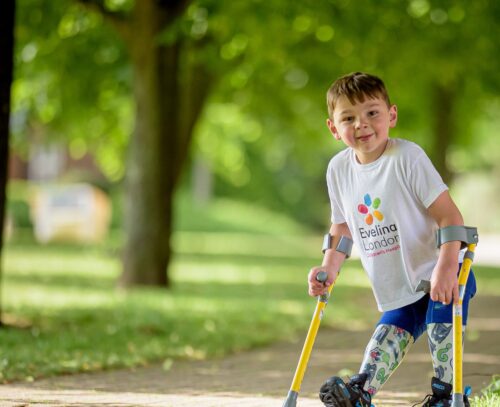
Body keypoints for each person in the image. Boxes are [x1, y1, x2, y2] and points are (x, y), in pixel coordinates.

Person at [308, 72, 476, 407]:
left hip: (443, 269)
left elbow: (450, 218)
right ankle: (360, 393)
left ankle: (448, 396)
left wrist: (445, 269)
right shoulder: (338, 169)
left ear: (391, 116)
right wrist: (328, 267)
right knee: (387, 339)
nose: (362, 124)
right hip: (398, 281)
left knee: (440, 327)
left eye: (372, 113)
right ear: (333, 128)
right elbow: (341, 227)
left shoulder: (407, 158)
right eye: (348, 118)